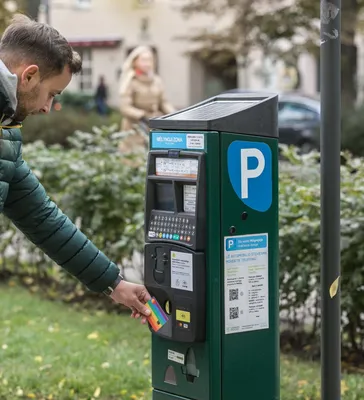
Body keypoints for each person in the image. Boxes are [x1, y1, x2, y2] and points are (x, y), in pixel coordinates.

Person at [0, 14, 151, 323]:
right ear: (28, 76)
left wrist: (114, 283)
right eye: (52, 94)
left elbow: (41, 217)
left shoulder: (7, 131)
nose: (46, 107)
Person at [118, 45, 175, 152]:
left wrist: (174, 115)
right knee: (135, 159)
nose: (147, 63)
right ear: (135, 62)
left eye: (150, 60)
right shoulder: (130, 81)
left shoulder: (156, 80)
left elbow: (164, 102)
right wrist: (142, 116)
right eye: (143, 60)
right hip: (135, 128)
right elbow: (125, 107)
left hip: (155, 124)